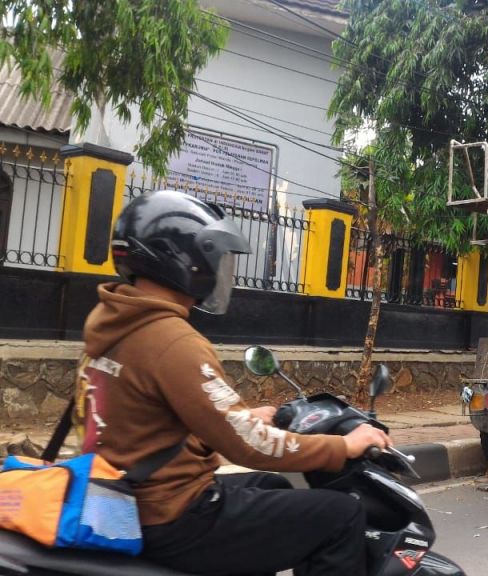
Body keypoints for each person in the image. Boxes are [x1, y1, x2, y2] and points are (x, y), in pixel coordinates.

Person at [74, 190, 392, 576]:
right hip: (172, 514)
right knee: (341, 514)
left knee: (273, 486)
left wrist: (239, 419)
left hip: (127, 499)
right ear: (183, 260)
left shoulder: (112, 324)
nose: (217, 271)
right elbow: (250, 446)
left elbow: (139, 426)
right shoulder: (172, 340)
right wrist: (343, 445)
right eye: (213, 258)